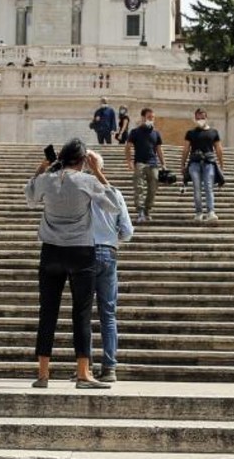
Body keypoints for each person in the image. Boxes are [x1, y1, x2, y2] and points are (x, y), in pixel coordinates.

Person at [25, 139, 118, 389]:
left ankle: (43, 373)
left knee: (47, 313)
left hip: (51, 252)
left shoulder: (48, 179)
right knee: (82, 314)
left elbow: (30, 195)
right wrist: (98, 171)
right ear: (82, 161)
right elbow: (114, 206)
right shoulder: (87, 181)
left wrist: (42, 167)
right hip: (81, 252)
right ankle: (83, 373)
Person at [87, 152, 133, 384]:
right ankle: (109, 367)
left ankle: (84, 367)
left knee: (83, 313)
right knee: (108, 313)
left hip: (83, 253)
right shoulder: (115, 194)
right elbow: (127, 232)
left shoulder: (80, 194)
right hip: (108, 252)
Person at [181, 108, 224, 222]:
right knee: (197, 188)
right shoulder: (190, 133)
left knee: (209, 186)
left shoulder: (214, 132)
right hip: (194, 162)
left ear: (206, 118)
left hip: (209, 162)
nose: (200, 119)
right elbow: (186, 149)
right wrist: (183, 164)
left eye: (202, 117)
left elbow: (219, 149)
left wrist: (221, 164)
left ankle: (211, 212)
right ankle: (199, 212)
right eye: (198, 118)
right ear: (195, 119)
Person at [125, 108, 164, 223]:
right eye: (149, 117)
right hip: (140, 163)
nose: (151, 119)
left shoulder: (156, 133)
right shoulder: (135, 132)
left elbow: (159, 149)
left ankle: (147, 210)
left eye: (153, 117)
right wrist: (129, 161)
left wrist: (164, 164)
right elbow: (128, 146)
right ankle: (140, 211)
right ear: (143, 118)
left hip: (153, 163)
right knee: (139, 188)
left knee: (153, 188)